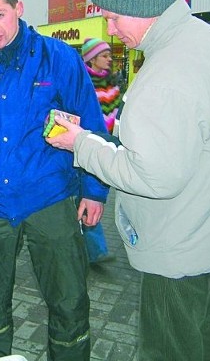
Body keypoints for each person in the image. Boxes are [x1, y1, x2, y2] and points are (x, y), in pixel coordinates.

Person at [46, 0, 210, 360]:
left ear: (140, 8)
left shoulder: (166, 75)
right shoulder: (203, 38)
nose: (109, 31)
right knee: (201, 339)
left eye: (113, 18)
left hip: (180, 245)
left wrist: (80, 143)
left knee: (169, 349)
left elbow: (152, 176)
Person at [0, 0, 109, 360]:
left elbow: (93, 128)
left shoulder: (59, 59)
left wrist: (94, 190)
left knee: (68, 300)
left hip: (51, 198)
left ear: (19, 9)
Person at [79, 37, 122, 264]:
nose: (109, 60)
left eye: (109, 55)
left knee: (90, 195)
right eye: (104, 55)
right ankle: (95, 249)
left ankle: (93, 248)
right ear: (91, 59)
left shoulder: (114, 83)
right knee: (86, 194)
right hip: (84, 148)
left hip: (108, 148)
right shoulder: (81, 82)